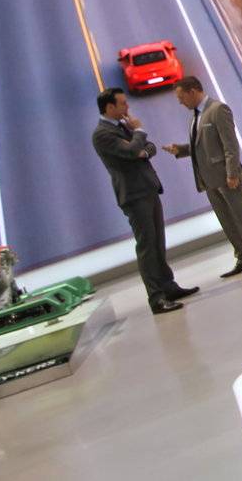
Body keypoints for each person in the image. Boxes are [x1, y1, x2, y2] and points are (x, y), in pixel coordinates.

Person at [92, 88, 197, 314]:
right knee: (147, 246)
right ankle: (156, 297)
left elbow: (147, 148)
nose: (126, 107)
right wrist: (138, 131)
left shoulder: (121, 127)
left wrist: (141, 148)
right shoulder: (102, 133)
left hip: (147, 188)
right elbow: (132, 151)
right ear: (109, 107)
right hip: (133, 194)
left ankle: (168, 286)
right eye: (122, 104)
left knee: (158, 241)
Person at [163, 77, 242, 277]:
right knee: (226, 219)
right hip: (208, 179)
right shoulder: (195, 116)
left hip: (226, 176)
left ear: (193, 91)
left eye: (181, 97)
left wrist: (232, 173)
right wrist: (181, 149)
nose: (180, 102)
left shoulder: (218, 110)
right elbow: (201, 146)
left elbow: (230, 145)